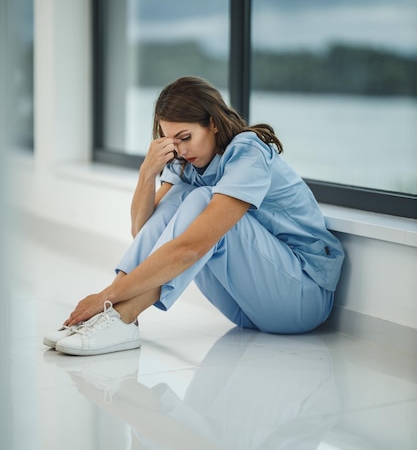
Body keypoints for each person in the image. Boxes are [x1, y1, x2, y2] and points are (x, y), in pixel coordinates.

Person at [43, 76, 344, 356]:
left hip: (301, 298)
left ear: (212, 124)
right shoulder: (188, 163)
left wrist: (106, 295)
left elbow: (191, 247)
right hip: (246, 307)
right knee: (183, 199)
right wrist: (147, 174)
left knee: (201, 201)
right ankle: (115, 319)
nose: (181, 150)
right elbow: (144, 233)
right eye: (172, 142)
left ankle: (120, 315)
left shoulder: (247, 151)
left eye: (185, 137)